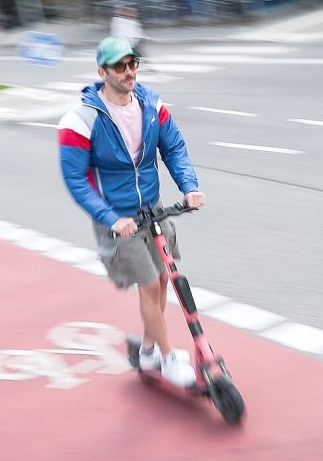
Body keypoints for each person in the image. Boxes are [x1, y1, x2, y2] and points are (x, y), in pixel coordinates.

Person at [58, 36, 204, 388]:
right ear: (102, 71)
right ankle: (169, 359)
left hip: (152, 209)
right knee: (149, 284)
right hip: (119, 217)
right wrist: (111, 218)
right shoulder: (81, 120)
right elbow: (76, 179)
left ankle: (150, 350)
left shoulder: (153, 105)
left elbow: (174, 148)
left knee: (164, 279)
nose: (128, 72)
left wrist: (190, 186)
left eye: (132, 64)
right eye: (119, 67)